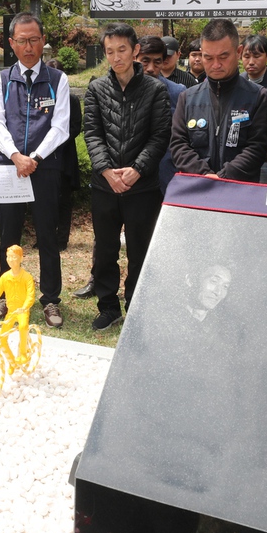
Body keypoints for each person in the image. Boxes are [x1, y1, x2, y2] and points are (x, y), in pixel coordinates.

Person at [83, 23, 170, 330]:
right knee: (105, 249)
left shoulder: (155, 90)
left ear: (135, 51)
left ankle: (136, 304)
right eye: (110, 51)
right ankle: (108, 306)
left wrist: (136, 170)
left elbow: (160, 136)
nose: (116, 57)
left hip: (142, 188)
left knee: (140, 250)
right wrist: (107, 170)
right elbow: (91, 133)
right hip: (104, 186)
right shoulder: (96, 89)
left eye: (122, 50)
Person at [0, 12, 70, 328]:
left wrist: (33, 156)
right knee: (9, 237)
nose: (28, 46)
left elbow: (60, 127)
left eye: (34, 39)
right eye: (21, 40)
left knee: (47, 235)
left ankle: (50, 300)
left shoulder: (58, 80)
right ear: (11, 43)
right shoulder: (1, 79)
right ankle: (7, 298)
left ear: (43, 40)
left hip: (44, 168)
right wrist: (15, 155)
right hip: (10, 169)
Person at [170, 19, 267, 183]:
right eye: (208, 58)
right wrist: (205, 175)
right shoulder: (187, 98)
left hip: (239, 188)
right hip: (197, 187)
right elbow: (179, 145)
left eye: (223, 56)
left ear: (238, 52)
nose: (216, 65)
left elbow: (257, 146)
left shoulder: (257, 96)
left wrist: (224, 177)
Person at [137, 35, 187, 195]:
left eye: (157, 62)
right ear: (134, 58)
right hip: (134, 179)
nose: (151, 68)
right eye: (145, 61)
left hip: (166, 177)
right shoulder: (124, 93)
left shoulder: (177, 93)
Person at [45, 58, 82, 253]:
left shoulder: (72, 99)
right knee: (46, 200)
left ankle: (62, 239)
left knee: (64, 200)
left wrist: (56, 142)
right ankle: (47, 235)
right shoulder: (43, 96)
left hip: (65, 156)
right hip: (43, 157)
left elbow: (76, 126)